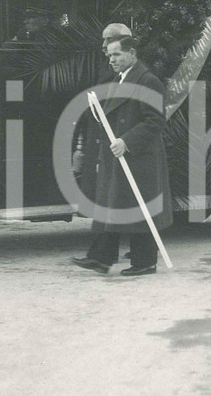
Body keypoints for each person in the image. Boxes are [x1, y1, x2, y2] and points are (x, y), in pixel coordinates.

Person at [73, 24, 173, 276]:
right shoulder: (120, 78)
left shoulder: (147, 81)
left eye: (116, 55)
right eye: (110, 55)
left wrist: (127, 141)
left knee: (139, 208)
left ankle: (144, 263)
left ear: (132, 53)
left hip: (139, 156)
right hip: (120, 155)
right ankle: (101, 258)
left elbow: (156, 121)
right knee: (114, 205)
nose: (112, 60)